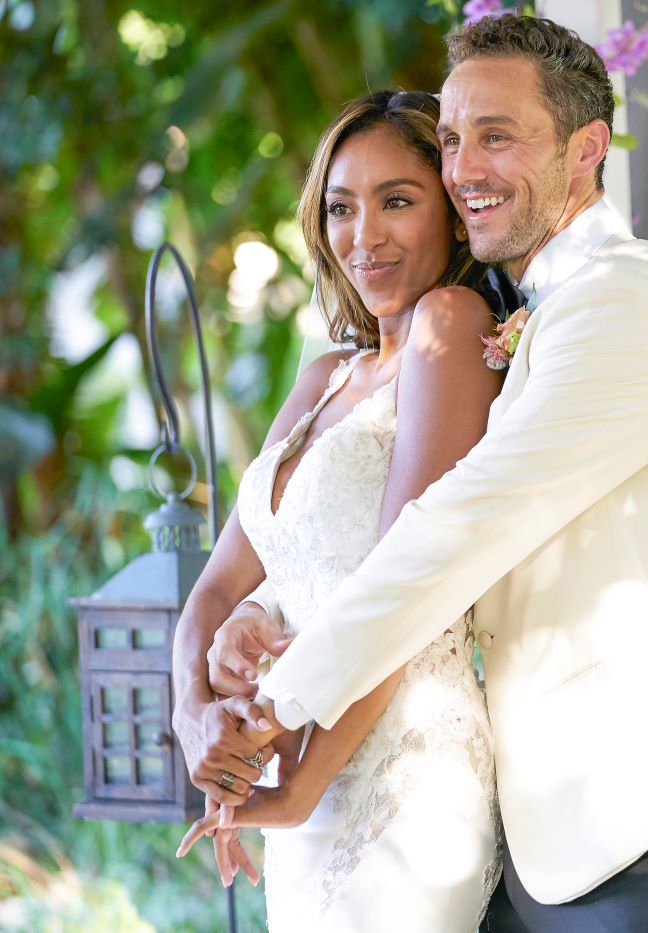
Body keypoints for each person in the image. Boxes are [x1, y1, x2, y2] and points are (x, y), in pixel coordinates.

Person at [209, 14, 648, 931]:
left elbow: (449, 535)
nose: (464, 169)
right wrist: (255, 618)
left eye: (498, 137)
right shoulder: (538, 311)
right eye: (454, 139)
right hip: (553, 841)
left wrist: (274, 710)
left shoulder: (622, 305)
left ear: (588, 149)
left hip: (646, 832)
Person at [170, 89, 505, 929]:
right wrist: (196, 718)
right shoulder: (324, 376)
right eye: (342, 207)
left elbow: (403, 587)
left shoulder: (451, 325)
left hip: (402, 780)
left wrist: (296, 790)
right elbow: (213, 591)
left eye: (399, 200)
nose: (366, 235)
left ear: (456, 216)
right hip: (302, 766)